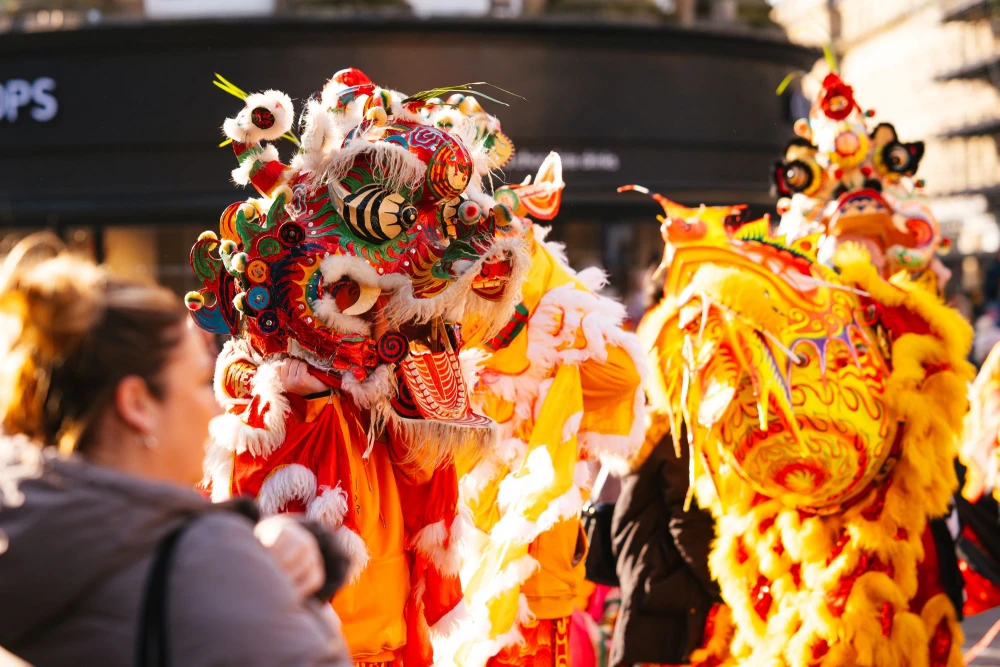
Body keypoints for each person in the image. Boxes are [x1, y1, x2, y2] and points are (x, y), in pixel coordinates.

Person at [0, 234, 351, 666]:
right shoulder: (207, 572)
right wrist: (297, 601)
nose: (213, 407)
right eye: (198, 383)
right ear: (137, 405)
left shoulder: (22, 530)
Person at [610, 431, 721, 667]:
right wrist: (728, 587)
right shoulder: (679, 435)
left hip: (652, 599)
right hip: (670, 609)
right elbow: (690, 523)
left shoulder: (653, 436)